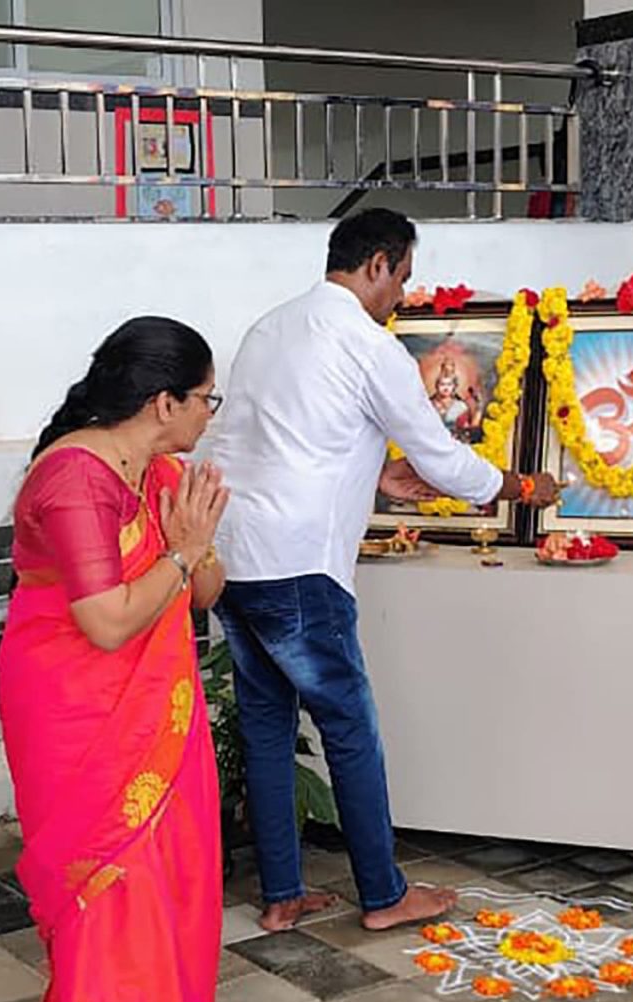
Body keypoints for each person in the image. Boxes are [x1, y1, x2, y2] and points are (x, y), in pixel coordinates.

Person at [202, 207, 559, 933]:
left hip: (234, 559)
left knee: (267, 727)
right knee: (349, 726)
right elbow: (441, 457)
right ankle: (383, 894)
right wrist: (521, 487)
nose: (403, 296)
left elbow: (268, 446)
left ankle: (282, 895)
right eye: (402, 278)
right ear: (376, 265)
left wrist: (370, 481)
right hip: (301, 567)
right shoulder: (369, 345)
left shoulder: (270, 328)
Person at [0, 317, 229, 1002]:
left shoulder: (157, 467)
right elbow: (102, 621)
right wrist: (180, 553)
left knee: (171, 875)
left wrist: (195, 550)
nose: (212, 412)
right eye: (206, 398)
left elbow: (203, 594)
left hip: (155, 708)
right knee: (109, 888)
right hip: (76, 708)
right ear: (163, 400)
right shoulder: (75, 479)